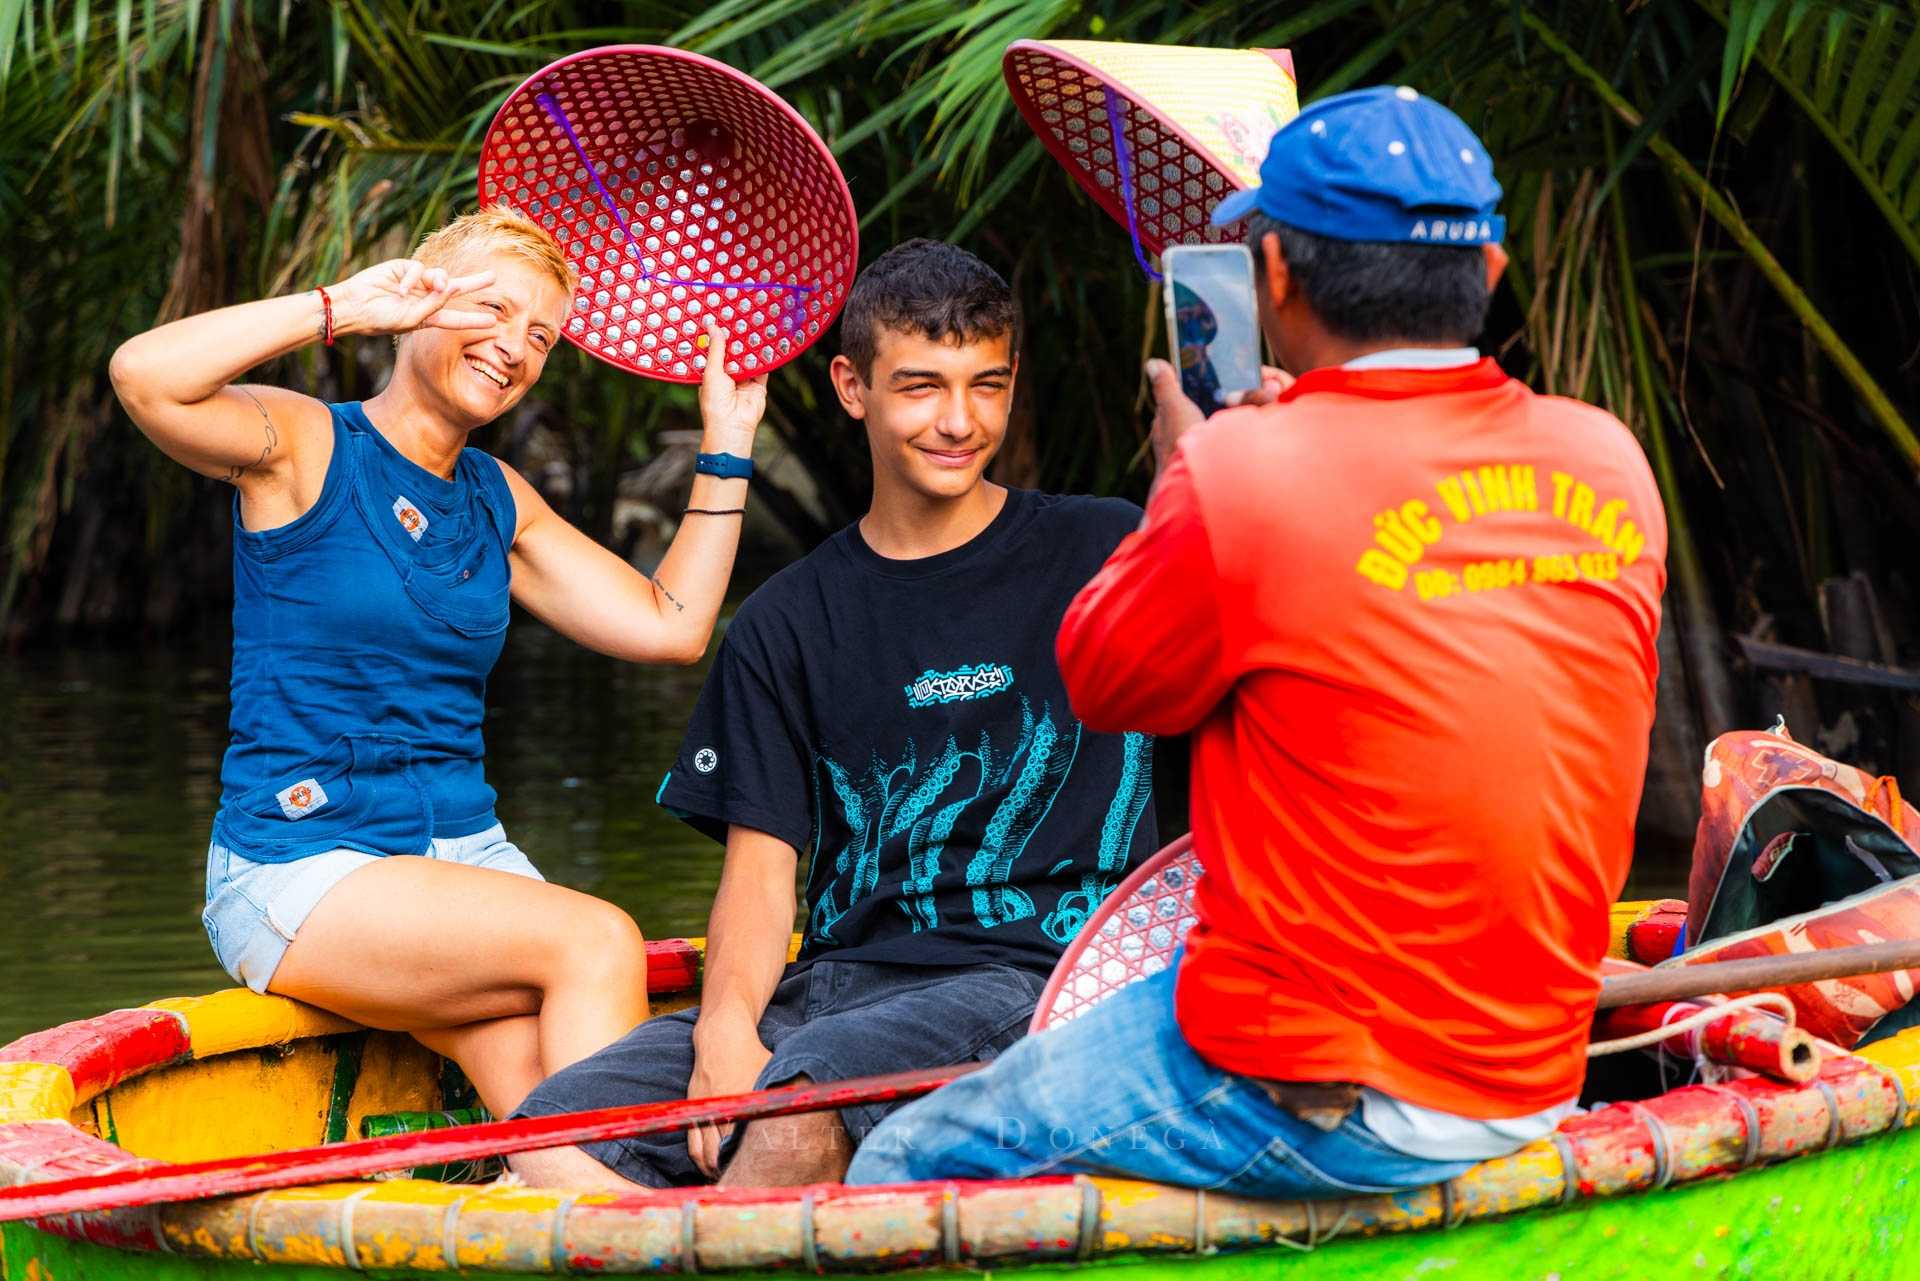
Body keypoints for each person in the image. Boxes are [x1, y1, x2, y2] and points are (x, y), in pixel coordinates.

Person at [847, 86, 1668, 1197]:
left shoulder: (1245, 474)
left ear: (1273, 277)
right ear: (1488, 275)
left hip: (1329, 1079)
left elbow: (1105, 682)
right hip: (1531, 1062)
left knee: (902, 1155)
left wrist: (1191, 469)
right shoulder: (1607, 458)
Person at [509, 239, 1158, 1189]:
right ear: (851, 387)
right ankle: (677, 1245)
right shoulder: (788, 618)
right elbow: (762, 873)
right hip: (838, 986)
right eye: (922, 387)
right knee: (541, 1139)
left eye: (986, 385)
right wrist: (725, 1031)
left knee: (790, 1119)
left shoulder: (1108, 547)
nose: (958, 420)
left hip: (1041, 973)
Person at [110, 206, 768, 1119]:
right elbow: (145, 378)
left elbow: (672, 624)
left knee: (554, 1121)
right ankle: (633, 1237)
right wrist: (343, 305)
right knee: (594, 940)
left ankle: (593, 1217)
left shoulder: (499, 499)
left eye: (540, 335)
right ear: (421, 297)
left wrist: (727, 444)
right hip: (300, 862)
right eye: (492, 310)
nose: (515, 348)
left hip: (464, 862)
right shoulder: (303, 445)